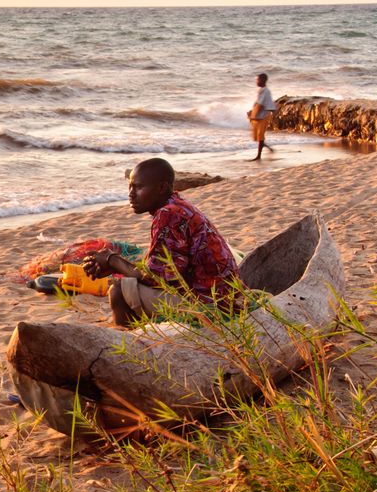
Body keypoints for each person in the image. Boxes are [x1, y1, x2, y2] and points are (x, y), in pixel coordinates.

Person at [83, 158, 242, 327]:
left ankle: (132, 344)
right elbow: (164, 267)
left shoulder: (168, 215)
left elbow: (159, 279)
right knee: (129, 283)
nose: (131, 193)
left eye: (138, 187)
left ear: (162, 188)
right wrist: (113, 266)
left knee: (119, 291)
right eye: (130, 186)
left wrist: (112, 260)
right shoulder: (178, 206)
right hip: (223, 296)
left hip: (210, 304)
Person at [247, 73, 276, 161]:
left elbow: (261, 105)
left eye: (258, 80)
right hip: (259, 115)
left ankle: (258, 156)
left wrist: (254, 115)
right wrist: (251, 112)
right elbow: (257, 103)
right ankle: (269, 148)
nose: (256, 81)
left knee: (260, 136)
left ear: (263, 81)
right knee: (258, 136)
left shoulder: (265, 91)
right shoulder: (261, 90)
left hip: (263, 116)